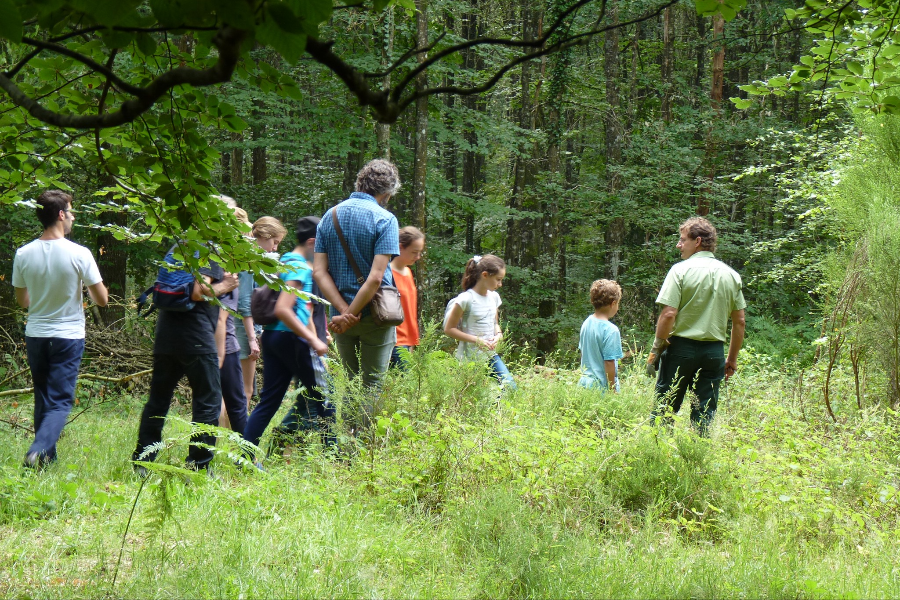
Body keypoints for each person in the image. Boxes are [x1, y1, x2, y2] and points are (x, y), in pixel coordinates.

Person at [13, 190, 108, 468]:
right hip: (67, 336)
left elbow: (23, 301)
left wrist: (43, 297)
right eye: (71, 210)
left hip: (36, 335)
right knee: (60, 401)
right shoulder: (79, 253)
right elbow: (101, 299)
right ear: (60, 215)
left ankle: (45, 461)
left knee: (43, 396)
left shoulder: (24, 253)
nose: (73, 216)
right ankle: (39, 449)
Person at [132, 246, 239, 472]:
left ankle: (143, 460)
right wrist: (227, 285)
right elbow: (199, 291)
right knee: (208, 402)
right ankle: (199, 466)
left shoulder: (180, 246)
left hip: (166, 336)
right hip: (197, 337)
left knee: (158, 400)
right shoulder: (209, 250)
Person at [313, 159, 401, 432]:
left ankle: (346, 443)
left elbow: (319, 272)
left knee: (351, 380)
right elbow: (376, 277)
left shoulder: (330, 216)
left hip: (339, 319)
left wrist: (343, 312)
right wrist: (354, 312)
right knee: (372, 382)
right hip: (375, 313)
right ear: (386, 194)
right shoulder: (385, 219)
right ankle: (361, 445)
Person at [647, 217, 747, 436]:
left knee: (665, 406)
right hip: (713, 353)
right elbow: (739, 321)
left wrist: (656, 349)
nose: (678, 245)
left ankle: (657, 454)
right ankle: (698, 459)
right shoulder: (731, 275)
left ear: (698, 241)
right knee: (704, 412)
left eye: (683, 240)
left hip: (680, 350)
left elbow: (669, 313)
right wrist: (731, 359)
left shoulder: (680, 270)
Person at [243, 216, 330, 464]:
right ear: (313, 242)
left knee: (269, 401)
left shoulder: (284, 262)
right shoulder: (299, 266)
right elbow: (284, 308)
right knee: (326, 399)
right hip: (290, 338)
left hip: (272, 336)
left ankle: (245, 457)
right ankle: (336, 460)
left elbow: (304, 308)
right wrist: (313, 339)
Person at [443, 254, 516, 390]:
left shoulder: (494, 297)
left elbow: (495, 323)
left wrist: (499, 335)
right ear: (485, 275)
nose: (500, 284)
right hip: (468, 358)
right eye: (498, 280)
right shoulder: (465, 299)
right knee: (470, 396)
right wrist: (477, 340)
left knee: (510, 388)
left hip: (490, 355)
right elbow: (449, 329)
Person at [235, 217, 287, 405]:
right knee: (244, 391)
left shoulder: (246, 256)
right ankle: (234, 434)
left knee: (236, 390)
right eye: (275, 242)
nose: (274, 248)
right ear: (264, 235)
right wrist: (251, 339)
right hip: (242, 329)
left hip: (241, 327)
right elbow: (245, 302)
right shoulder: (249, 260)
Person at [389, 226, 425, 369]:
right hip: (394, 340)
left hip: (408, 340)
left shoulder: (408, 272)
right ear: (400, 247)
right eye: (414, 252)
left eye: (419, 252)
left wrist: (412, 342)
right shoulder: (387, 274)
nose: (418, 257)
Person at [578, 279, 624, 392]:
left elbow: (584, 352)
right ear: (613, 303)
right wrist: (612, 389)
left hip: (584, 384)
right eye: (618, 303)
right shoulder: (611, 330)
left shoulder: (586, 323)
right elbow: (609, 362)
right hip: (601, 388)